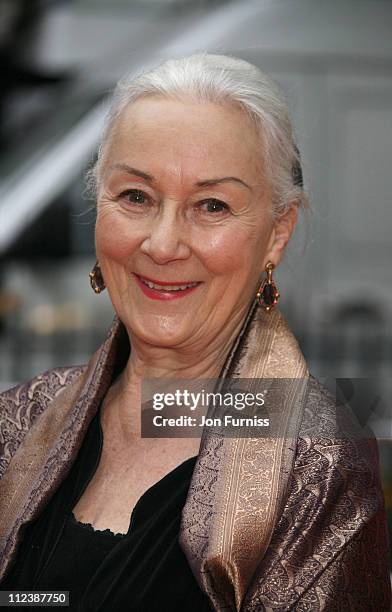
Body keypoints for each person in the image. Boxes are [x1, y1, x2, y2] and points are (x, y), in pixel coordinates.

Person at [0, 53, 390, 611]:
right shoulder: (18, 423)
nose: (162, 244)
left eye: (212, 205)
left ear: (277, 234)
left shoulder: (314, 467)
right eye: (136, 197)